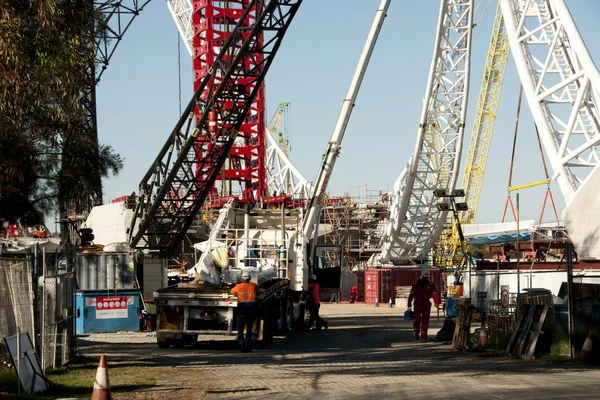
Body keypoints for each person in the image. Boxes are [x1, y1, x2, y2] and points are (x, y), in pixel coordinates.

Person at [407, 269, 440, 342]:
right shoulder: (417, 284)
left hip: (424, 304)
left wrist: (436, 302)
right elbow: (412, 293)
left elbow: (435, 294)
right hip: (419, 304)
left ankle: (421, 336)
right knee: (418, 320)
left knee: (422, 320)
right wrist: (409, 303)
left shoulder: (429, 284)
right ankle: (418, 334)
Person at [231, 270, 259, 352]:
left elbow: (232, 292)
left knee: (240, 327)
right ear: (250, 278)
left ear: (242, 278)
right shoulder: (254, 286)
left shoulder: (238, 286)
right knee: (249, 328)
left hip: (242, 308)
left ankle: (241, 345)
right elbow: (259, 292)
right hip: (251, 308)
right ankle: (248, 346)